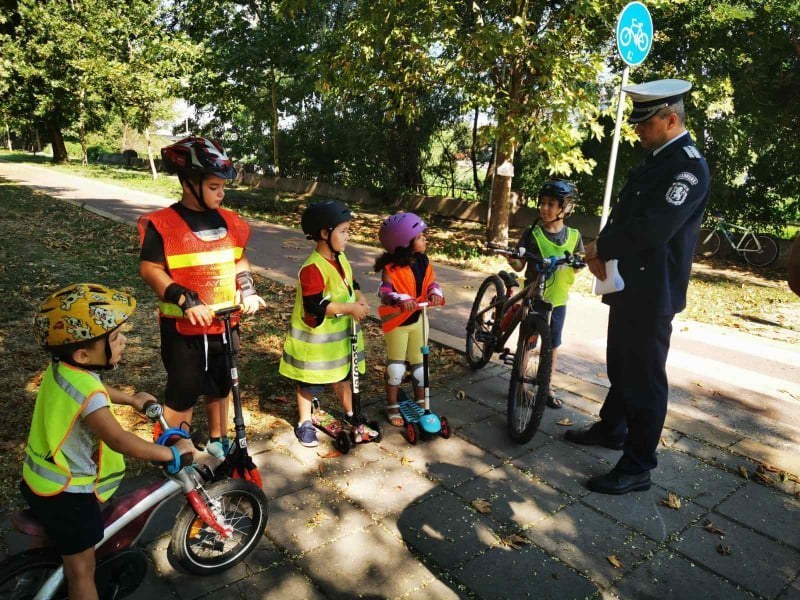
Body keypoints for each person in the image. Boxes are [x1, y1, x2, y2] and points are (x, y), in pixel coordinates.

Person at [566, 79, 711, 495]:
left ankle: (638, 465)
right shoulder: (658, 158)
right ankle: (613, 429)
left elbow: (655, 227)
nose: (638, 131)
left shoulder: (687, 166)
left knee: (644, 377)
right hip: (631, 284)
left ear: (670, 120)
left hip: (654, 291)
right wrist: (603, 253)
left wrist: (602, 247)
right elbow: (626, 213)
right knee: (622, 364)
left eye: (645, 123)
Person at [23, 283, 198, 600]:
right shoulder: (87, 391)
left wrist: (130, 400)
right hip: (68, 497)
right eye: (115, 338)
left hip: (37, 479)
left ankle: (31, 576)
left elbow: (95, 390)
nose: (124, 341)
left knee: (53, 546)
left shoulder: (62, 367)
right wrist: (168, 453)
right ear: (83, 353)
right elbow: (119, 439)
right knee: (82, 573)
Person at [138, 137, 266, 458]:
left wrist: (247, 286)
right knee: (183, 388)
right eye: (213, 186)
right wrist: (184, 298)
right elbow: (151, 269)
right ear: (188, 183)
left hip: (224, 322)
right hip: (183, 329)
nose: (220, 193)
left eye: (222, 186)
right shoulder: (163, 224)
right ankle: (176, 447)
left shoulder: (232, 222)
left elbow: (240, 258)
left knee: (221, 384)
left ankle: (218, 439)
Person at [279, 200, 370, 447]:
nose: (348, 236)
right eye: (343, 231)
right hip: (315, 343)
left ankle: (351, 413)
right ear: (324, 233)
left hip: (338, 342)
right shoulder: (312, 268)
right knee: (309, 383)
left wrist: (359, 298)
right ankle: (304, 422)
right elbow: (315, 305)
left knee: (343, 377)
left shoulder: (340, 258)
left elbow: (352, 284)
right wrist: (349, 308)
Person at [506, 180, 585, 409]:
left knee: (552, 346)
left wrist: (580, 263)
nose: (544, 208)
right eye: (542, 203)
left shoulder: (574, 235)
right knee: (527, 344)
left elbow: (579, 261)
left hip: (558, 301)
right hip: (534, 299)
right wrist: (513, 258)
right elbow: (520, 265)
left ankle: (546, 386)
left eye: (551, 204)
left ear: (566, 208)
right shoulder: (532, 234)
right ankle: (520, 385)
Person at [373, 212, 445, 426]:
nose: (425, 239)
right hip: (397, 322)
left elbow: (432, 282)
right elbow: (385, 292)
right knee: (396, 368)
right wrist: (400, 298)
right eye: (420, 236)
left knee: (420, 365)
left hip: (419, 319)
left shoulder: (423, 261)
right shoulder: (391, 269)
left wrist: (434, 292)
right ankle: (392, 405)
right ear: (405, 243)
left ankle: (421, 401)